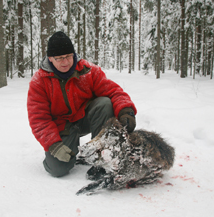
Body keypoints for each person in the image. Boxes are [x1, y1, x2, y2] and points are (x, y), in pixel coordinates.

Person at [27, 31, 137, 177]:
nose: (65, 62)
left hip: (86, 119)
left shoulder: (88, 70)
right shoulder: (39, 81)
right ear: (50, 59)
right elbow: (38, 119)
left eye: (68, 56)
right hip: (63, 127)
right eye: (59, 58)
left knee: (104, 103)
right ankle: (60, 154)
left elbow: (113, 91)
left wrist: (126, 111)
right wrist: (53, 145)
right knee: (58, 169)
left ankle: (101, 152)